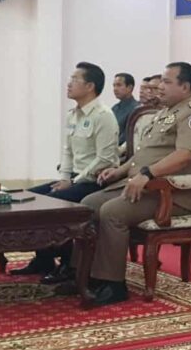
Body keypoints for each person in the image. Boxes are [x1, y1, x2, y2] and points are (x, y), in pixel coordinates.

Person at [68, 62, 191, 306]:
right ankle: (82, 275)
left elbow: (185, 155)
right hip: (144, 185)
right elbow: (144, 154)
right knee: (88, 204)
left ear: (185, 86)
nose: (160, 86)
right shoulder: (168, 112)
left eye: (167, 82)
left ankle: (113, 284)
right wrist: (119, 171)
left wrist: (147, 173)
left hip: (171, 193)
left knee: (112, 212)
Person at [11, 62, 119, 281]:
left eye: (74, 79)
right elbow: (67, 151)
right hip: (73, 179)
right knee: (29, 197)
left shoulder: (103, 116)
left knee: (51, 203)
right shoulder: (73, 115)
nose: (68, 84)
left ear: (90, 86)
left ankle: (68, 264)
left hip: (94, 182)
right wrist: (64, 178)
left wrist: (74, 181)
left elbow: (105, 159)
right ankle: (43, 259)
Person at [111, 72, 139, 146]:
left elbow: (127, 136)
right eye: (114, 86)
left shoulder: (136, 109)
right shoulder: (114, 108)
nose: (115, 89)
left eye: (119, 85)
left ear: (130, 88)